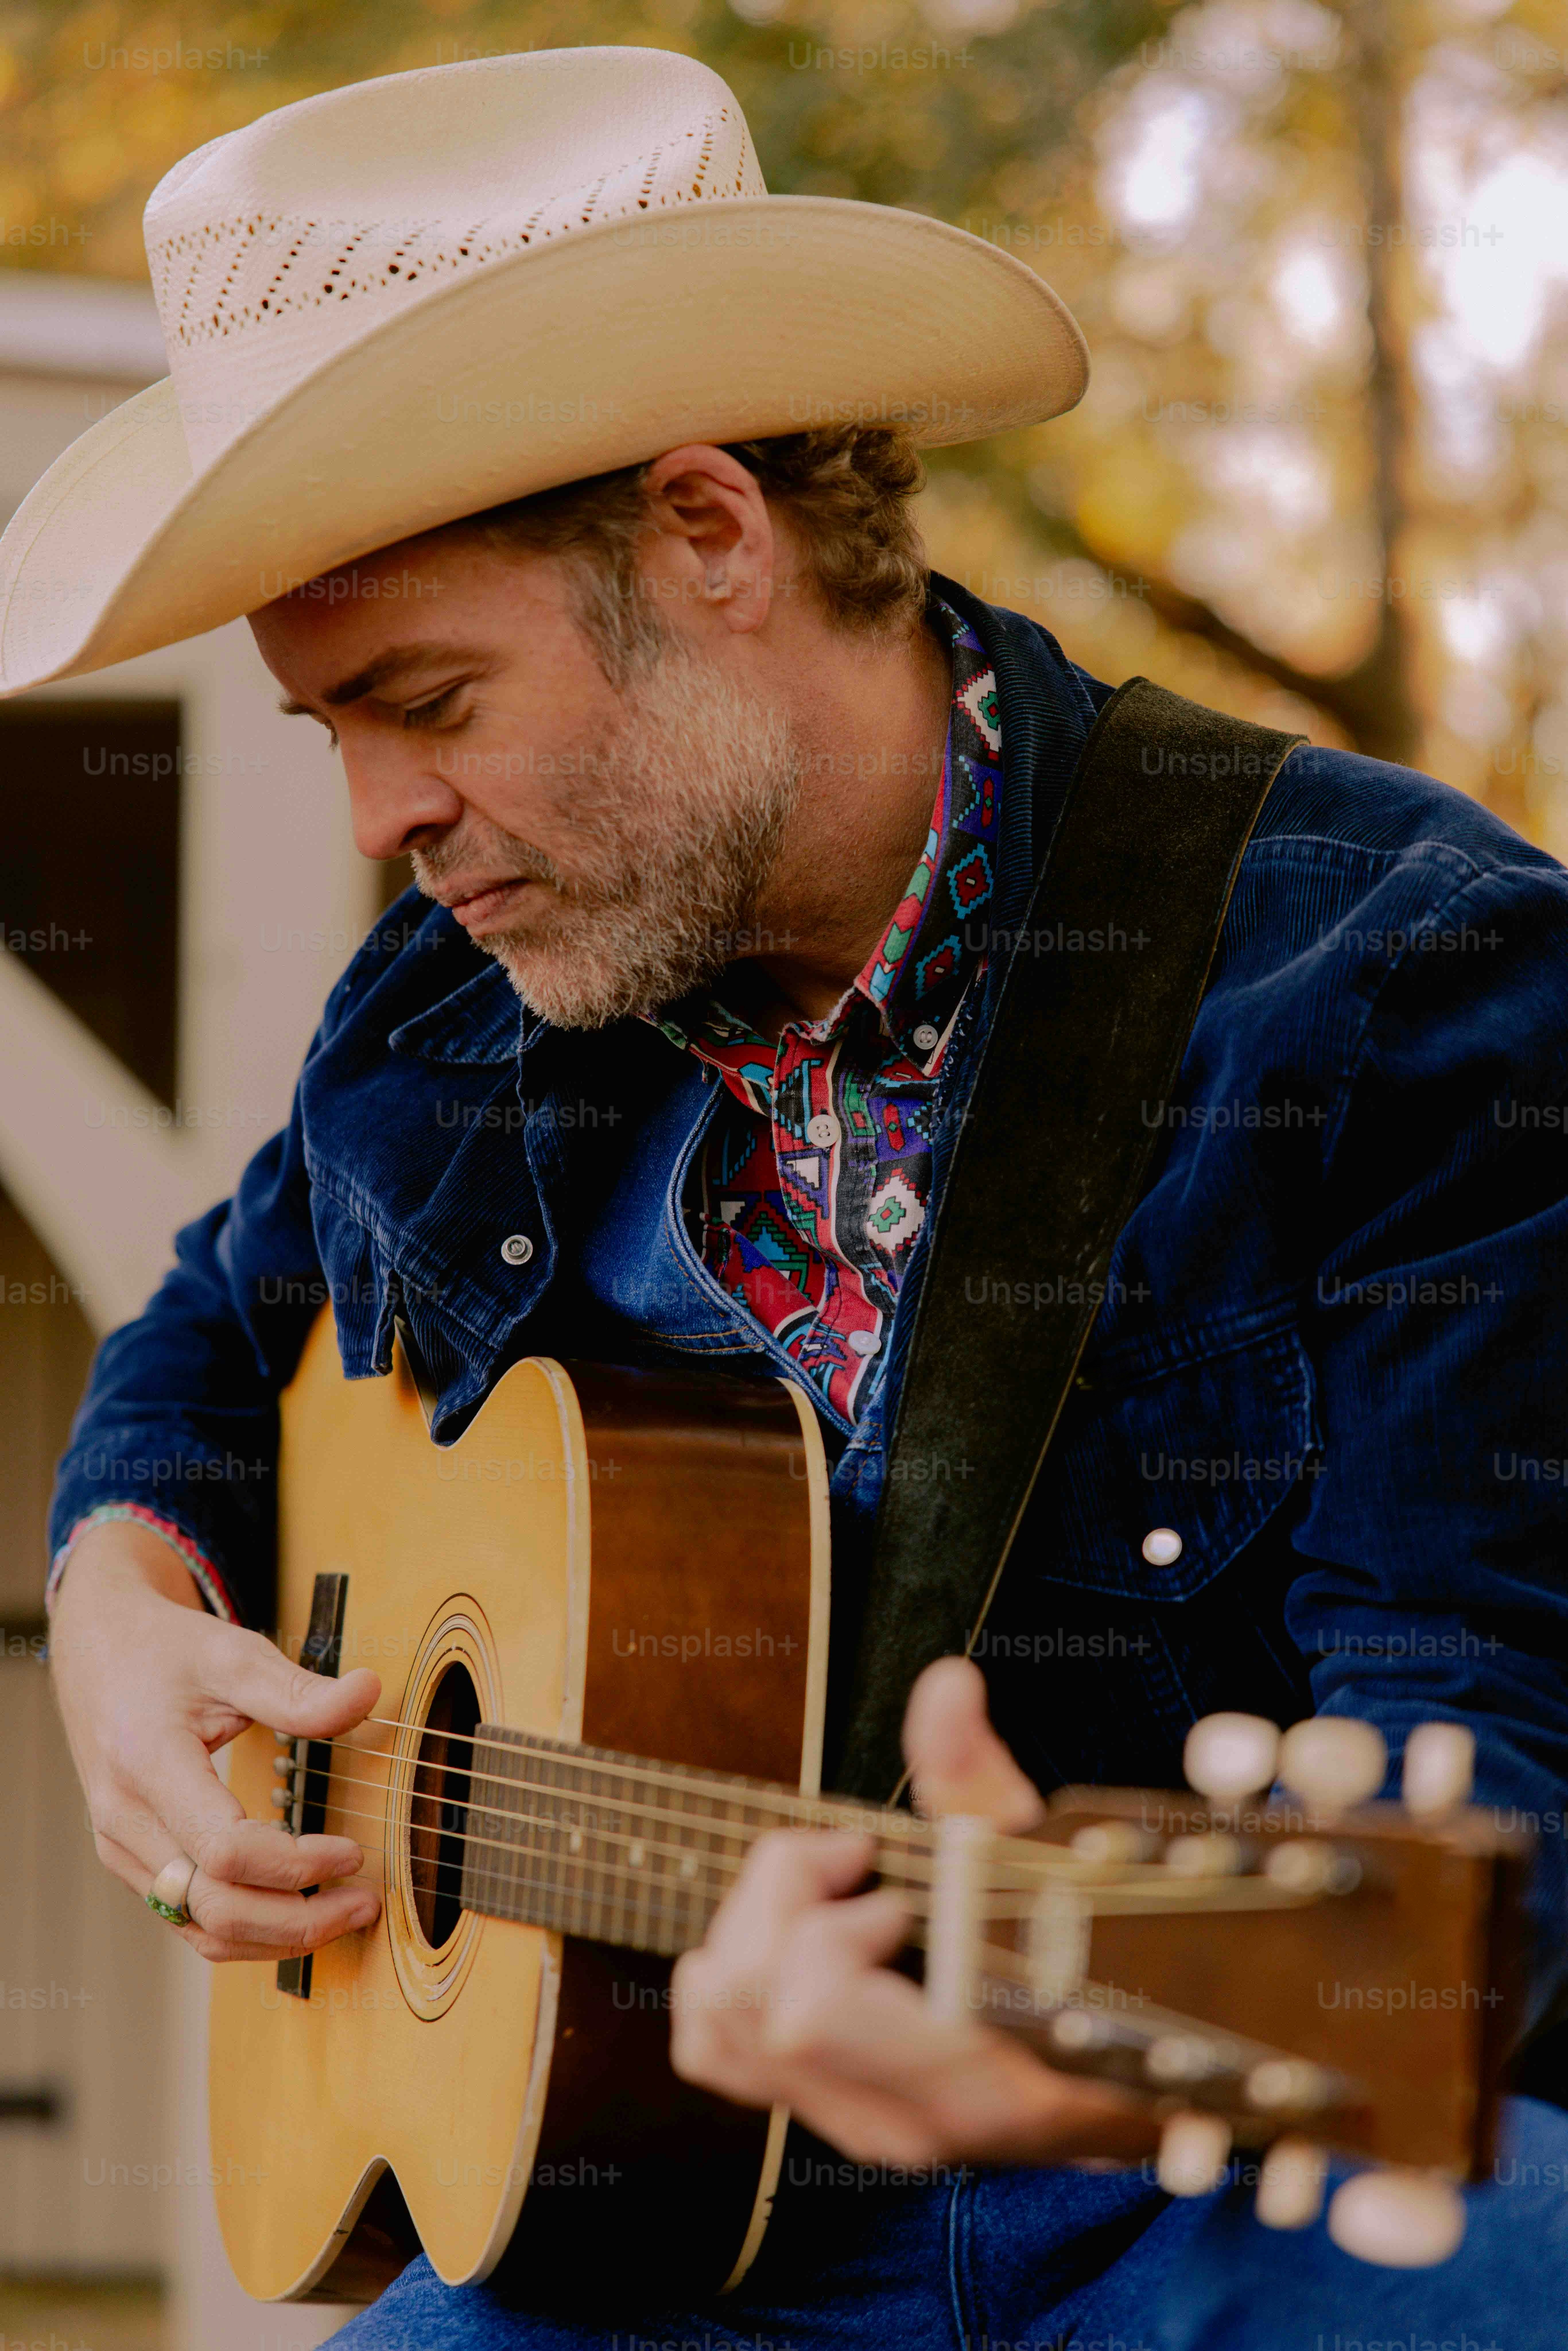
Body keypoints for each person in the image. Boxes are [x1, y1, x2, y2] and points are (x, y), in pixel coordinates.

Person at [14, 44, 1568, 2351]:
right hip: (636, 2237)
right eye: (322, 728)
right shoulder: (448, 1019)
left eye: (428, 697)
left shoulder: (1391, 976)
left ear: (706, 537)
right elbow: (213, 1334)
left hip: (1209, 2182)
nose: (379, 820)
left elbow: (1484, 1771)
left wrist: (1056, 2044)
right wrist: (122, 1590)